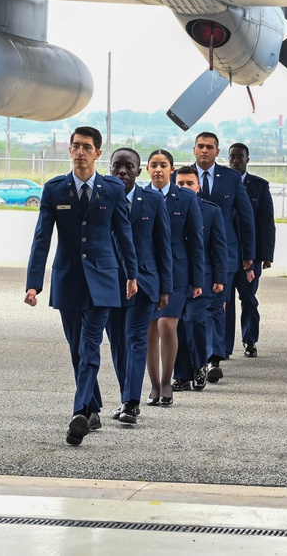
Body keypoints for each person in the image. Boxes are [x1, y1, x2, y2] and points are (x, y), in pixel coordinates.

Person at [25, 126, 138, 446]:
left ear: (97, 153)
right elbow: (42, 239)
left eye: (87, 147)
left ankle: (79, 414)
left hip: (103, 280)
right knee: (77, 348)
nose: (80, 152)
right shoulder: (55, 190)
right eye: (75, 146)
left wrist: (131, 275)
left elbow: (123, 234)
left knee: (90, 347)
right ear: (70, 150)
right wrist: (34, 283)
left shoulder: (112, 189)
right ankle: (92, 407)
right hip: (68, 279)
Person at [105, 148, 173, 423]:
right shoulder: (102, 199)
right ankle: (125, 397)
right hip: (109, 283)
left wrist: (165, 288)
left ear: (138, 170)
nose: (122, 171)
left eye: (128, 166)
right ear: (109, 169)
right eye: (116, 167)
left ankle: (131, 402)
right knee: (118, 344)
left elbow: (163, 245)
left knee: (135, 339)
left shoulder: (154, 201)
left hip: (145, 283)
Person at [191, 132, 256, 381]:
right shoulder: (183, 177)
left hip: (223, 253)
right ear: (194, 149)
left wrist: (248, 253)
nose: (204, 150)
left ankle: (214, 357)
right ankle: (195, 358)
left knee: (218, 306)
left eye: (209, 147)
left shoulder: (230, 178)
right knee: (196, 309)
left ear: (218, 152)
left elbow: (245, 216)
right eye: (200, 146)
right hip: (191, 255)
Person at [144, 150, 205, 404]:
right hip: (147, 271)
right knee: (148, 330)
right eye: (154, 165)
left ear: (172, 170)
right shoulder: (139, 197)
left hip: (178, 273)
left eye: (164, 165)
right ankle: (154, 385)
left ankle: (168, 381)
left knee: (167, 326)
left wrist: (198, 280)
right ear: (147, 169)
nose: (158, 169)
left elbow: (196, 241)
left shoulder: (186, 198)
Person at [172, 166, 229, 395]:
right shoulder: (166, 207)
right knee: (176, 327)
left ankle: (199, 365)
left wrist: (220, 278)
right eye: (180, 183)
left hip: (203, 278)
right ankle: (182, 376)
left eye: (189, 183)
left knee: (195, 321)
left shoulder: (211, 211)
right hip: (175, 278)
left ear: (198, 187)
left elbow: (219, 246)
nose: (185, 187)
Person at [226, 142, 276, 359]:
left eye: (240, 157)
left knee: (248, 298)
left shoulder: (259, 186)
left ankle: (250, 340)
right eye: (232, 157)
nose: (236, 161)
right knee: (224, 302)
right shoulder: (222, 184)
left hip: (251, 255)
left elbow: (266, 223)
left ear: (247, 160)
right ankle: (224, 347)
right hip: (226, 253)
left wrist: (266, 255)